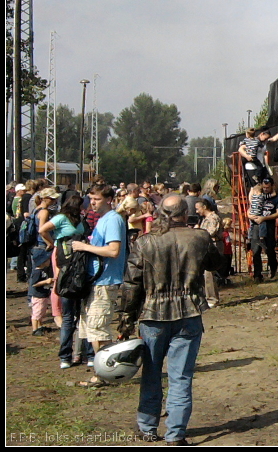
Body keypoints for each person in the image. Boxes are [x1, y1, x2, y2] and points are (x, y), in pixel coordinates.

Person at [119, 193, 222, 445]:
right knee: (181, 377)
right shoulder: (199, 237)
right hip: (189, 314)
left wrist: (125, 320)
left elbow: (131, 286)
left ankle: (147, 428)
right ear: (185, 214)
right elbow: (216, 264)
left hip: (153, 317)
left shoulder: (144, 242)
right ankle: (176, 435)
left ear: (159, 214)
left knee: (151, 374)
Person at [71, 183, 128, 388]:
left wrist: (85, 246)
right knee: (93, 331)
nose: (92, 203)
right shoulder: (104, 220)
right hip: (97, 281)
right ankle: (103, 371)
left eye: (96, 199)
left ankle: (108, 372)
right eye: (91, 199)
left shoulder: (112, 220)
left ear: (108, 200)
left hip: (105, 282)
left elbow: (113, 250)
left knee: (100, 330)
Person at [40, 195, 89, 369]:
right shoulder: (61, 218)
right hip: (64, 264)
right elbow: (43, 230)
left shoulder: (80, 220)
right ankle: (65, 356)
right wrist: (52, 243)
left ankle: (86, 354)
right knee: (69, 314)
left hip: (80, 266)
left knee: (83, 313)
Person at [248, 178, 278, 281]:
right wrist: (249, 215)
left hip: (268, 226)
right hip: (256, 226)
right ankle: (257, 275)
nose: (265, 189)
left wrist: (264, 218)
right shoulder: (258, 195)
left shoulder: (277, 198)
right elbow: (250, 208)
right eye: (264, 187)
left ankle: (273, 269)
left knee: (269, 250)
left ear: (272, 186)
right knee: (256, 250)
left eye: (268, 187)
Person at [195, 198, 222, 307]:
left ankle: (212, 299)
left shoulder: (213, 218)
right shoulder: (205, 218)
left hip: (213, 247)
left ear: (204, 207)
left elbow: (210, 233)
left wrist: (198, 231)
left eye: (198, 209)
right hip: (206, 247)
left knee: (209, 273)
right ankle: (206, 297)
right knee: (205, 273)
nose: (197, 211)